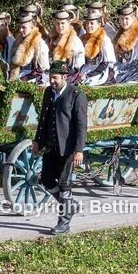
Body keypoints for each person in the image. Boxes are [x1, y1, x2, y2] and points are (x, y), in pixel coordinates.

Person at [33, 60, 87, 235]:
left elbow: (81, 125)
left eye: (55, 78)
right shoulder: (49, 92)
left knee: (64, 184)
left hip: (68, 148)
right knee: (46, 180)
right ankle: (70, 205)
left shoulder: (77, 95)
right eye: (50, 77)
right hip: (51, 146)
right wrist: (37, 141)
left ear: (65, 77)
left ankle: (63, 223)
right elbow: (43, 118)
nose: (52, 81)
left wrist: (79, 150)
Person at [113, 3, 138, 83]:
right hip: (123, 69)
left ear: (133, 19)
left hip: (137, 70)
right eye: (121, 19)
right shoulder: (119, 35)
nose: (124, 22)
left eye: (126, 19)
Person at [8, 13, 50, 83]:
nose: (21, 30)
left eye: (24, 27)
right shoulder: (18, 42)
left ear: (32, 28)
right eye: (20, 27)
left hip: (33, 80)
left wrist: (25, 78)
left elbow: (42, 69)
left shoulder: (39, 44)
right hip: (17, 78)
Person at [80, 8, 116, 86]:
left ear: (98, 24)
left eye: (92, 23)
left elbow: (106, 64)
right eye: (87, 24)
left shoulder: (104, 40)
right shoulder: (84, 39)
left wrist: (88, 75)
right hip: (87, 69)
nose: (89, 26)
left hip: (102, 72)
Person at [49, 9, 85, 74]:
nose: (60, 26)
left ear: (68, 23)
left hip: (72, 72)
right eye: (58, 23)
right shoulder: (53, 39)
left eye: (63, 23)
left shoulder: (74, 40)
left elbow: (76, 65)